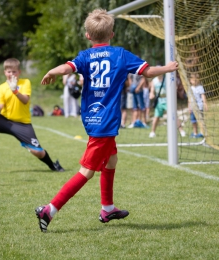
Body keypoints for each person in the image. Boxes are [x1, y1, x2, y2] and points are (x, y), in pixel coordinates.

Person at [35, 8, 179, 233]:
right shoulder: (120, 54)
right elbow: (148, 72)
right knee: (87, 172)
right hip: (106, 122)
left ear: (88, 36)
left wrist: (53, 71)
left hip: (93, 117)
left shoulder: (85, 56)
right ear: (112, 34)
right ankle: (49, 210)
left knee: (112, 160)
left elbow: (67, 68)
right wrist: (169, 68)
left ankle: (107, 208)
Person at [0, 58, 64, 172]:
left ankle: (53, 166)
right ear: (5, 72)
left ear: (19, 72)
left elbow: (25, 100)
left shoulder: (25, 83)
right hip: (4, 120)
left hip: (22, 124)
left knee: (37, 152)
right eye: (9, 72)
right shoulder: (2, 87)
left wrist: (15, 91)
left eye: (14, 71)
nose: (11, 74)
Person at [149, 73, 185, 138]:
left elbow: (174, 87)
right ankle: (152, 132)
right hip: (159, 100)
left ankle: (181, 131)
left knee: (174, 115)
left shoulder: (167, 79)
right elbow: (152, 90)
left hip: (167, 100)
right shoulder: (154, 81)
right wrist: (151, 94)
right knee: (156, 117)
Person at [188, 73, 207, 138]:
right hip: (193, 107)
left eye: (196, 80)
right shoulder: (190, 88)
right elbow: (189, 99)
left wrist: (205, 103)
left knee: (200, 120)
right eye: (193, 80)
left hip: (199, 107)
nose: (195, 81)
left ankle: (202, 132)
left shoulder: (200, 87)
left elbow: (203, 96)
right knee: (193, 121)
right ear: (190, 80)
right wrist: (189, 107)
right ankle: (195, 133)